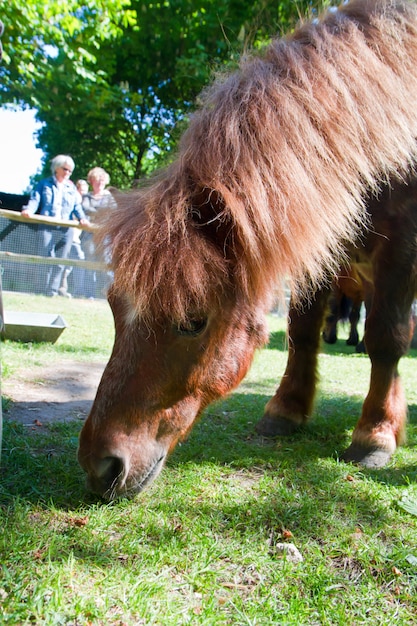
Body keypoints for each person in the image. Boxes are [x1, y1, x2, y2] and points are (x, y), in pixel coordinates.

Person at [21, 155, 90, 297]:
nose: (68, 173)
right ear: (56, 168)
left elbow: (76, 206)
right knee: (46, 256)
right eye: (65, 169)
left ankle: (52, 291)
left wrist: (82, 218)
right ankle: (41, 289)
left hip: (66, 227)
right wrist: (29, 210)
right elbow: (35, 199)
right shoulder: (44, 184)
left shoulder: (71, 188)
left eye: (70, 171)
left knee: (61, 260)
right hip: (47, 225)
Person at [80, 167, 115, 298]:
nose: (99, 182)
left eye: (101, 180)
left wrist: (93, 213)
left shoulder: (109, 197)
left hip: (104, 236)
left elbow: (113, 211)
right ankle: (89, 294)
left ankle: (109, 292)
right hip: (89, 235)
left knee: (106, 263)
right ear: (91, 181)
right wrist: (100, 212)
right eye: (96, 180)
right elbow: (84, 209)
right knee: (90, 263)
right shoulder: (87, 196)